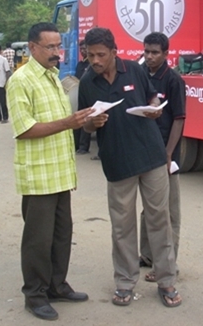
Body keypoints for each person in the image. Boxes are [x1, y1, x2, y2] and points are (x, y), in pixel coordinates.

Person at [78, 27, 182, 308]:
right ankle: (125, 282)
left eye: (101, 55)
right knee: (122, 226)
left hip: (151, 157)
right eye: (90, 55)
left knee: (159, 219)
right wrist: (92, 123)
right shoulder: (87, 82)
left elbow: (152, 97)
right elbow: (84, 125)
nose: (95, 61)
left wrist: (155, 107)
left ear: (114, 52)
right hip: (117, 162)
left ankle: (166, 280)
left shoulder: (134, 70)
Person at [6, 22, 94, 321]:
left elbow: (60, 122)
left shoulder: (53, 77)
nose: (57, 52)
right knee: (38, 241)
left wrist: (83, 121)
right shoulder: (21, 80)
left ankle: (57, 285)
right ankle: (35, 295)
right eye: (51, 47)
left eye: (59, 46)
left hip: (60, 174)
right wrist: (68, 123)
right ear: (33, 48)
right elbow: (24, 129)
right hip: (38, 176)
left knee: (61, 234)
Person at [138, 32, 185, 284]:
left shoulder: (173, 80)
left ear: (166, 54)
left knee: (169, 212)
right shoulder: (141, 75)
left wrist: (168, 154)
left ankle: (167, 263)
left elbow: (179, 119)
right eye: (146, 51)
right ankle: (147, 255)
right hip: (145, 153)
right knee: (149, 208)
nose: (149, 57)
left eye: (155, 52)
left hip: (166, 156)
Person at [73, 40, 91, 155]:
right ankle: (76, 145)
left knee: (86, 120)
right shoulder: (80, 64)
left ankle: (84, 146)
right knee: (77, 118)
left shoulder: (91, 65)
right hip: (79, 94)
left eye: (85, 49)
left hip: (89, 95)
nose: (83, 51)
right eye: (81, 49)